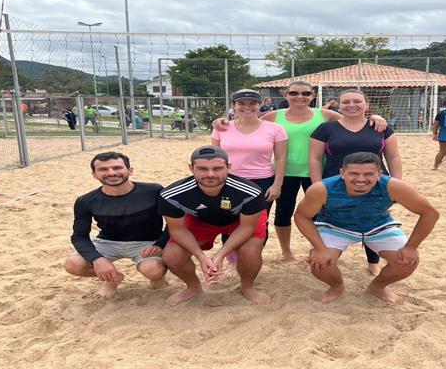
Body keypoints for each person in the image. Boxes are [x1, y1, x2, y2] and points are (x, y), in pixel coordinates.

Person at [212, 82, 387, 261]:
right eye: (294, 93)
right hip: (285, 172)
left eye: (305, 93)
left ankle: (316, 249)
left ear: (312, 96)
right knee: (283, 212)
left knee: (319, 214)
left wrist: (375, 116)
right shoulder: (274, 116)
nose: (299, 96)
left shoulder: (324, 114)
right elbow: (249, 121)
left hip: (316, 171)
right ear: (286, 95)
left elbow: (352, 117)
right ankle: (286, 251)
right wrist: (221, 121)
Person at [294, 152, 439, 303]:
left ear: (379, 174)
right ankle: (336, 286)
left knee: (406, 262)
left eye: (369, 174)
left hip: (378, 226)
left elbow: (430, 213)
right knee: (320, 262)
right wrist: (319, 248)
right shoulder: (322, 189)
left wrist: (411, 247)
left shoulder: (392, 186)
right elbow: (301, 216)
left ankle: (377, 287)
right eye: (354, 174)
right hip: (335, 226)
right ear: (342, 173)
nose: (361, 179)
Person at [159, 146, 270, 306]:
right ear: (191, 168)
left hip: (240, 221)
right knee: (172, 255)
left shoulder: (250, 191)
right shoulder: (171, 195)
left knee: (250, 252)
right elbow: (177, 229)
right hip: (200, 220)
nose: (210, 174)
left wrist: (220, 255)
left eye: (217, 168)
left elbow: (247, 227)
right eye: (202, 169)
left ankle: (247, 287)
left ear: (229, 167)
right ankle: (193, 287)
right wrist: (201, 256)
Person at [309, 89, 403, 275]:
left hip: (375, 183)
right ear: (339, 105)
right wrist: (316, 184)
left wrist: (396, 184)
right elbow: (315, 159)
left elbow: (393, 157)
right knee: (330, 219)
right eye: (346, 102)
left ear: (366, 105)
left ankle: (373, 262)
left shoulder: (380, 127)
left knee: (372, 217)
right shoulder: (326, 129)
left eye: (357, 101)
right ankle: (324, 252)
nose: (351, 105)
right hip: (336, 184)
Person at [63, 152, 168, 300]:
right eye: (103, 169)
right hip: (108, 242)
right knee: (73, 264)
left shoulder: (154, 191)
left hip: (147, 242)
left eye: (117, 167)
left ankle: (157, 277)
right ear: (94, 174)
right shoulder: (86, 201)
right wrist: (97, 259)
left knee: (153, 270)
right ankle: (112, 279)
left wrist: (160, 244)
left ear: (130, 170)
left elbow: (174, 222)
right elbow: (79, 236)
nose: (111, 173)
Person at [212, 89, 287, 268]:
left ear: (260, 105)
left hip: (262, 181)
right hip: (229, 182)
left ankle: (251, 259)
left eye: (252, 103)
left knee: (259, 223)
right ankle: (232, 261)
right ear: (234, 106)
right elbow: (215, 159)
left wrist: (277, 184)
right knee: (229, 221)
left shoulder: (275, 129)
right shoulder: (222, 128)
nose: (247, 107)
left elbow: (281, 158)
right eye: (241, 103)